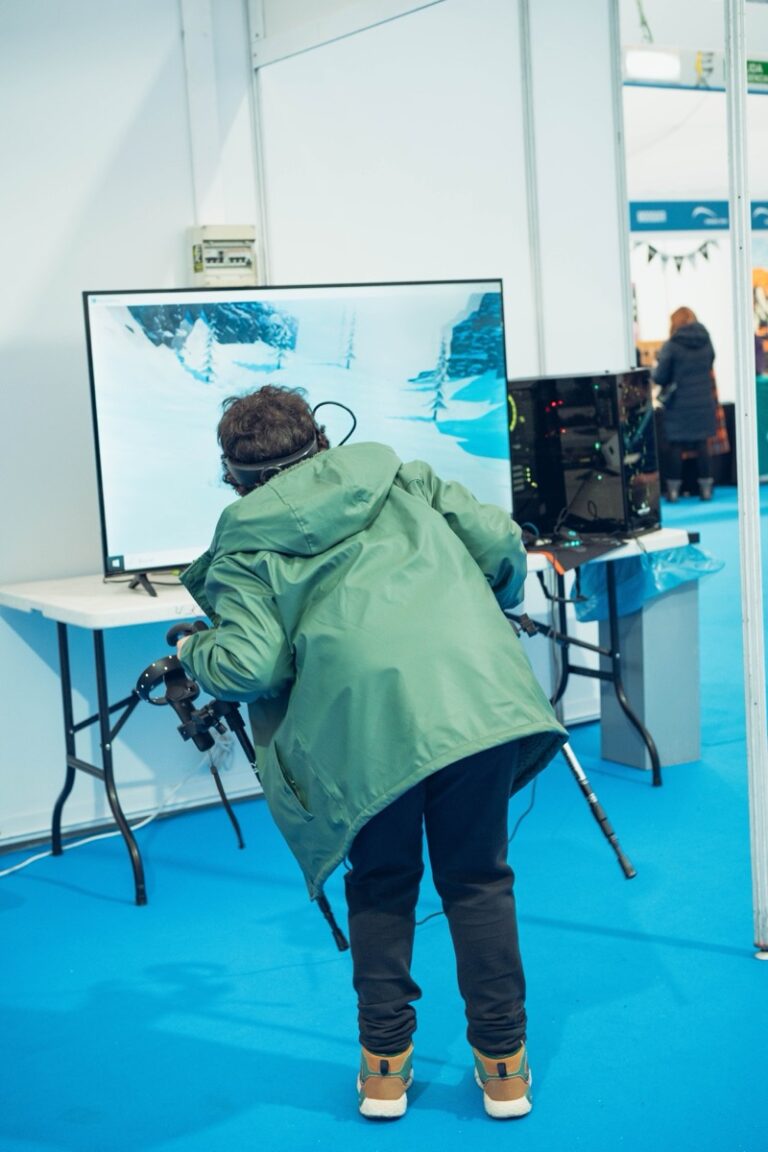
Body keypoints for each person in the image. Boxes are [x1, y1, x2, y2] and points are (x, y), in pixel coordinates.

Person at [176, 384, 567, 1122]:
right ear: (322, 437)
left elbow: (251, 666)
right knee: (478, 879)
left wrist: (194, 650)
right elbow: (499, 546)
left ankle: (385, 1073)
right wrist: (487, 601)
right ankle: (505, 1071)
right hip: (474, 698)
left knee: (383, 885)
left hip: (363, 734)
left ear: (234, 474)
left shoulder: (243, 545)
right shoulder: (402, 477)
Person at [652, 306, 718, 502]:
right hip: (703, 401)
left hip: (678, 404)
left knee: (675, 446)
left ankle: (673, 492)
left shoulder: (671, 345)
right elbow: (710, 362)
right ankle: (706, 490)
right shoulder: (706, 341)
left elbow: (660, 376)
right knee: (702, 444)